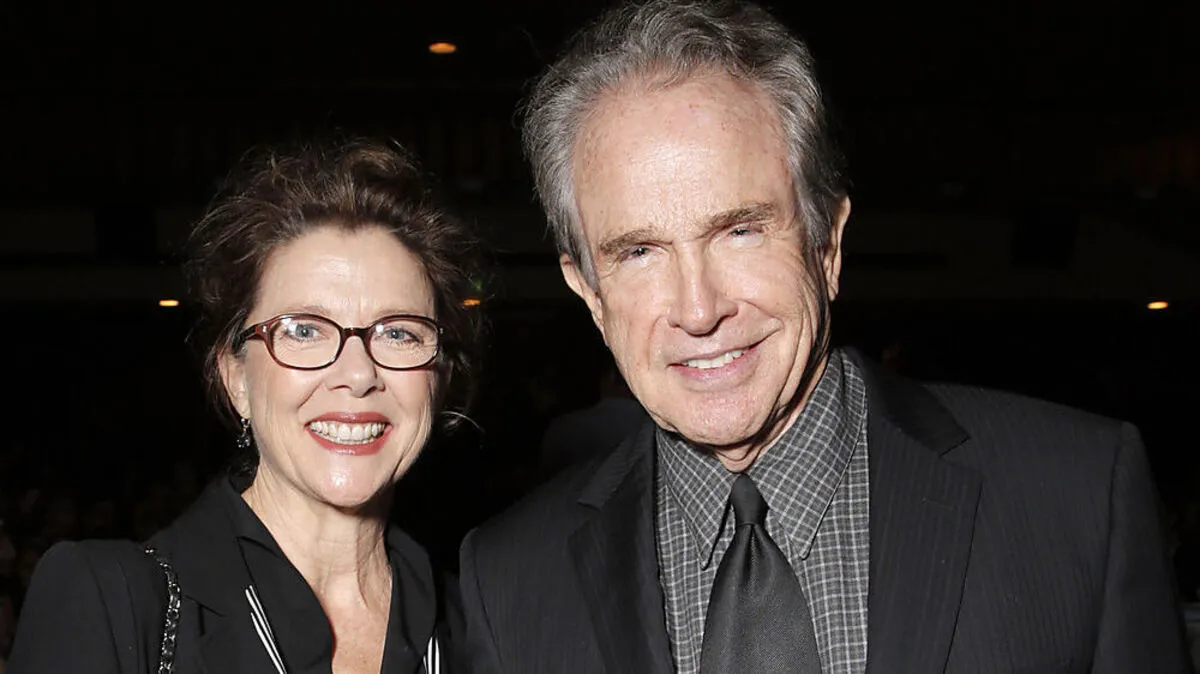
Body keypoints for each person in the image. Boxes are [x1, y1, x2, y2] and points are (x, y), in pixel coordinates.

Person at [454, 1, 1190, 672]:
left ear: (827, 245)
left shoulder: (1077, 498)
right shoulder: (508, 582)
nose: (698, 309)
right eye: (639, 251)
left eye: (740, 231)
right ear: (590, 293)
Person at [10, 137, 480, 673]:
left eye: (398, 333)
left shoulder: (486, 624)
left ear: (440, 377)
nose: (357, 374)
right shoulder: (111, 604)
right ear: (235, 377)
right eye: (303, 330)